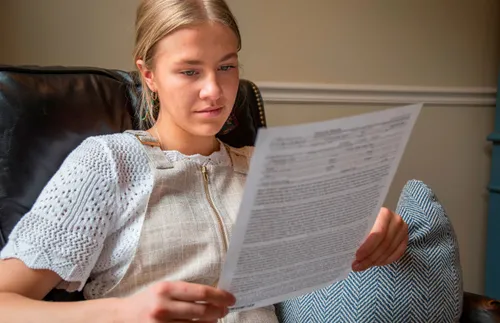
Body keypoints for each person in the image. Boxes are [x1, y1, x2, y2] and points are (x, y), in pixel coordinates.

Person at [0, 0, 409, 322]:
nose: (215, 90)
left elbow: (335, 254)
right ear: (149, 75)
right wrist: (122, 314)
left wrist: (376, 228)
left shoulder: (269, 169)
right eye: (190, 71)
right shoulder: (107, 164)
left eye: (226, 67)